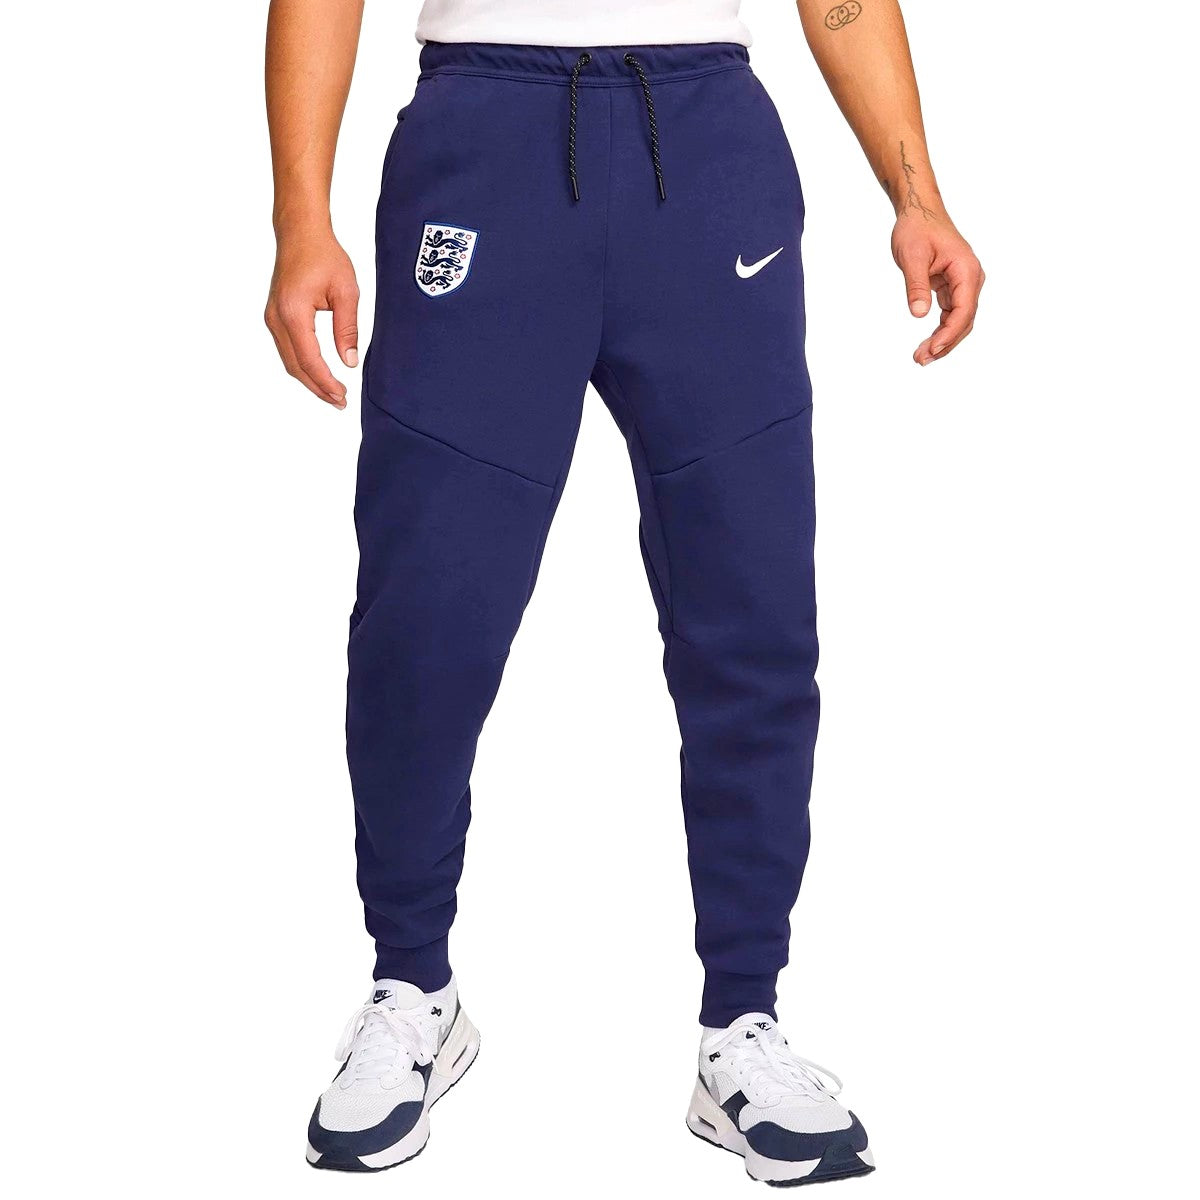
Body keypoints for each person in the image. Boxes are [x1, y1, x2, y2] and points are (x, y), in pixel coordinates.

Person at [265, 0, 982, 1184]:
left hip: (707, 158)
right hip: (481, 143)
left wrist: (918, 195)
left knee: (752, 610)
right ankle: (412, 987)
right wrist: (302, 219)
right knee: (427, 616)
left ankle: (742, 1022)